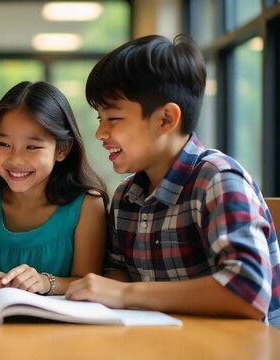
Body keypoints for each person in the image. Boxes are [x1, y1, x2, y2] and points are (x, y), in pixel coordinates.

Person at [65, 34, 280, 327]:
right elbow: (116, 273)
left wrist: (128, 293)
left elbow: (248, 291)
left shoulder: (218, 180)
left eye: (113, 118)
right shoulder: (125, 196)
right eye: (99, 118)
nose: (100, 133)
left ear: (166, 119)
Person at [0, 81, 109, 295]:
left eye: (32, 147)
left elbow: (88, 281)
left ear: (62, 149)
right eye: (4, 144)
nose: (16, 159)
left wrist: (45, 282)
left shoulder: (87, 205)